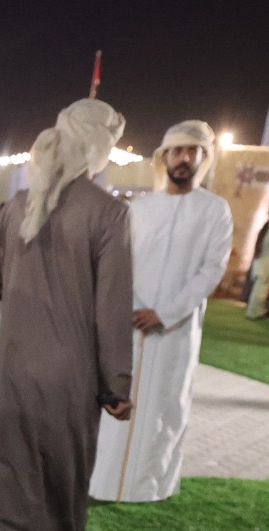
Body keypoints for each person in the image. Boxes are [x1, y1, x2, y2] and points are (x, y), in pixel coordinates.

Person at [0, 99, 133, 531]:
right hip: (69, 367)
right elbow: (112, 311)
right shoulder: (109, 213)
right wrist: (117, 385)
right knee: (59, 466)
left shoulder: (18, 204)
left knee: (5, 463)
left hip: (12, 362)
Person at [89, 121, 232, 504]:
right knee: (118, 398)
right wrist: (135, 307)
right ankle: (103, 482)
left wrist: (166, 313)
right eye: (177, 151)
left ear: (203, 158)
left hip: (176, 330)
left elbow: (212, 269)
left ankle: (151, 485)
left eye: (192, 152)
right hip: (131, 323)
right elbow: (122, 262)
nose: (184, 159)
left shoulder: (215, 210)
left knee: (165, 406)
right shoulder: (141, 208)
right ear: (164, 157)